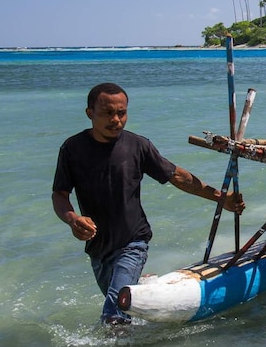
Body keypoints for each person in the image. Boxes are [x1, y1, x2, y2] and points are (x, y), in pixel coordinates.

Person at [52, 83, 246, 325]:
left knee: (113, 317)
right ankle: (145, 286)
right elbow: (59, 194)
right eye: (107, 113)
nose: (116, 120)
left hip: (133, 243)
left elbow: (178, 177)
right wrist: (73, 219)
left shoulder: (137, 146)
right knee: (126, 310)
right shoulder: (72, 149)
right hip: (98, 249)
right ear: (90, 113)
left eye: (121, 113)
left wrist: (222, 198)